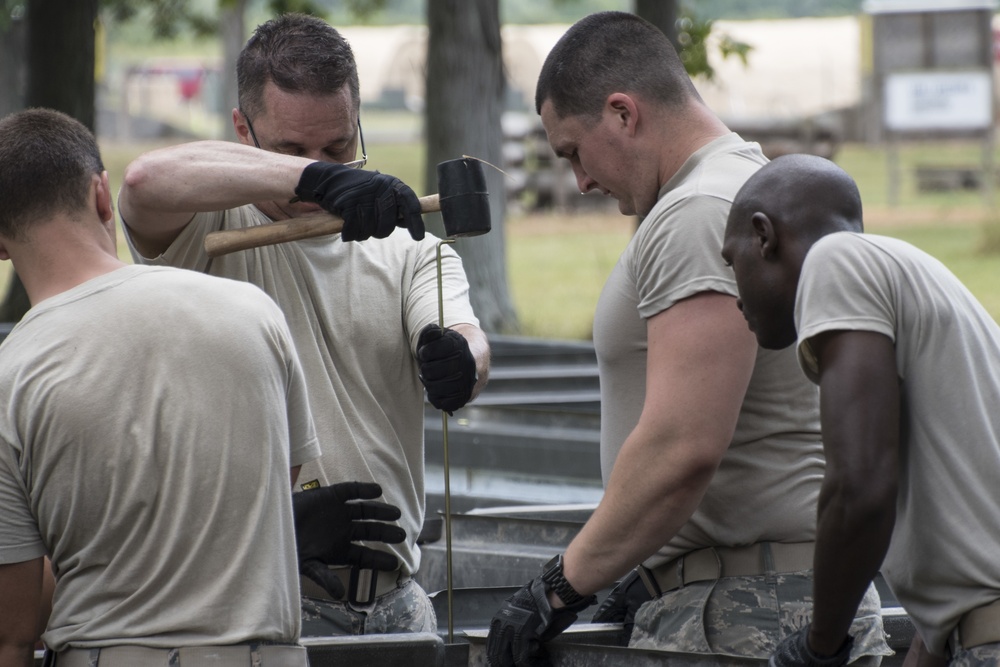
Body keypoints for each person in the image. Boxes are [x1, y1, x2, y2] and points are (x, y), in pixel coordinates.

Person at [486, 12, 891, 666]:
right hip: (760, 595)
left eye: (572, 152)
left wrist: (560, 587)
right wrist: (636, 575)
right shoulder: (740, 185)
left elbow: (685, 445)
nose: (581, 182)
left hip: (740, 611)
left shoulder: (699, 210)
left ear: (623, 114)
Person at [118, 13, 491, 636]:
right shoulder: (206, 226)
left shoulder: (407, 242)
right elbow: (142, 181)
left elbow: (466, 339)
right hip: (259, 600)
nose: (319, 171)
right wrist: (319, 177)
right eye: (291, 150)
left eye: (338, 148)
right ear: (243, 129)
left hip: (398, 602)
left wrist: (461, 359)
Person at [0, 108, 408, 667]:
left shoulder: (10, 375)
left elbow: (15, 631)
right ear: (101, 197)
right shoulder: (253, 313)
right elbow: (271, 495)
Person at [721, 153, 1000, 667]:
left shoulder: (837, 263)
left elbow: (859, 488)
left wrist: (818, 645)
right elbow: (971, 567)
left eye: (730, 261)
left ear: (764, 236)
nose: (734, 296)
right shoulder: (922, 281)